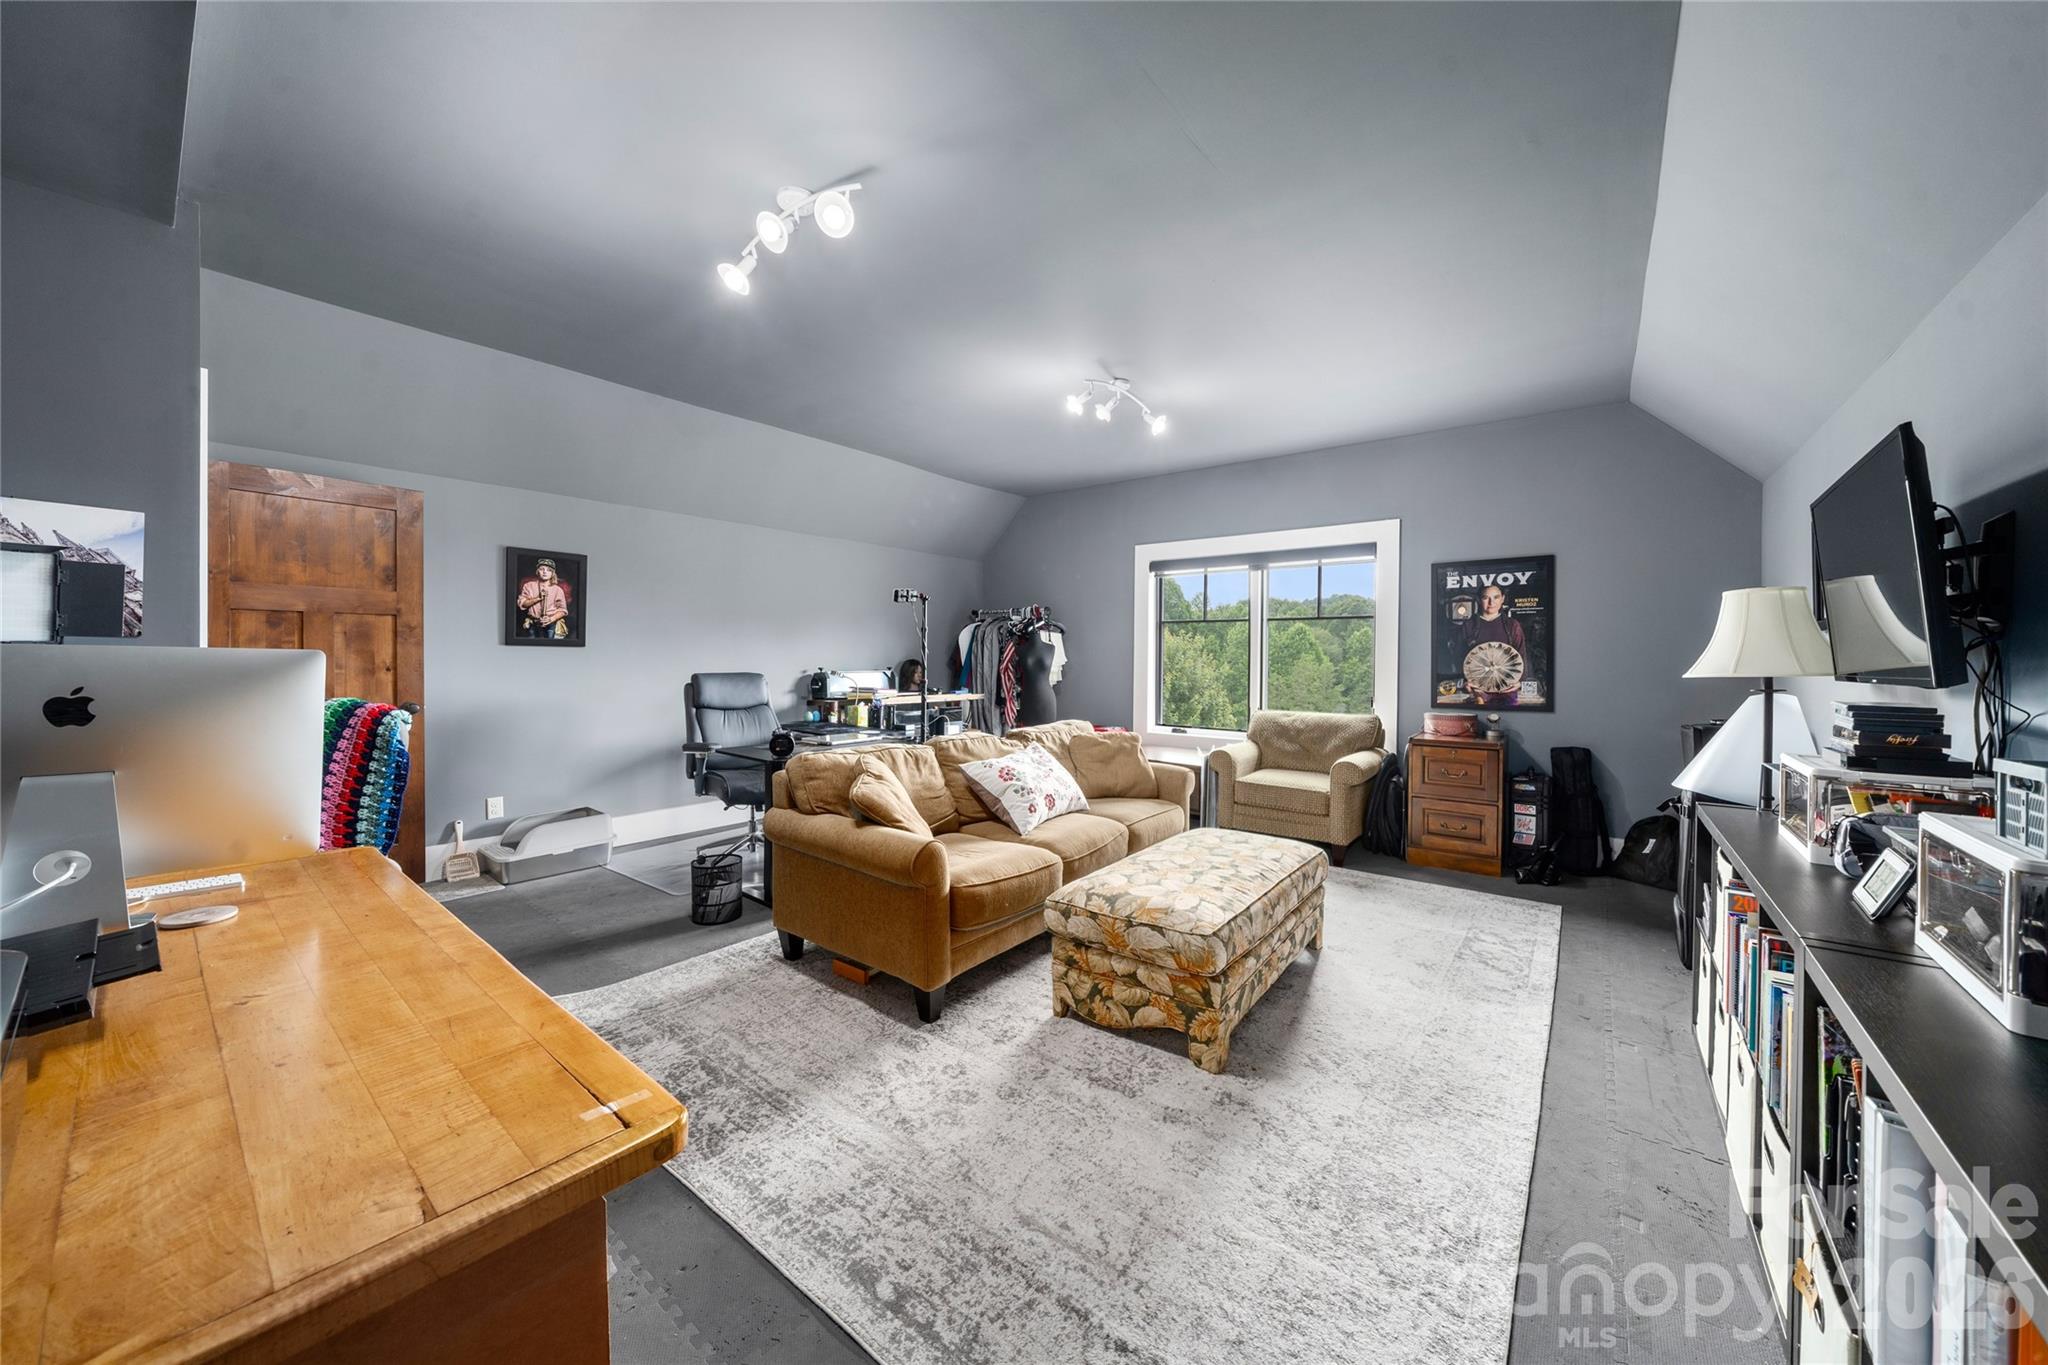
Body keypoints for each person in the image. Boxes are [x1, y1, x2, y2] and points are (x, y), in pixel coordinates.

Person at [1460, 583, 1528, 706]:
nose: (1491, 603)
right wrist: (1465, 683)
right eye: (1486, 598)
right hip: (1477, 692)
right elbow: (1459, 658)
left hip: (1507, 691)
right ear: (1478, 599)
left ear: (1502, 598)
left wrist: (1520, 682)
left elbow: (1521, 655)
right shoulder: (1468, 626)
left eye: (1496, 597)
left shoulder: (1512, 625)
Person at [516, 558, 572, 639]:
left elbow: (562, 610)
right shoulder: (529, 586)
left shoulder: (558, 590)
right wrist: (537, 598)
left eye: (549, 570)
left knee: (550, 646)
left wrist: (551, 619)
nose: (545, 572)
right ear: (537, 571)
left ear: (552, 573)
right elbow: (523, 603)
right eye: (542, 569)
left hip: (551, 624)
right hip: (533, 623)